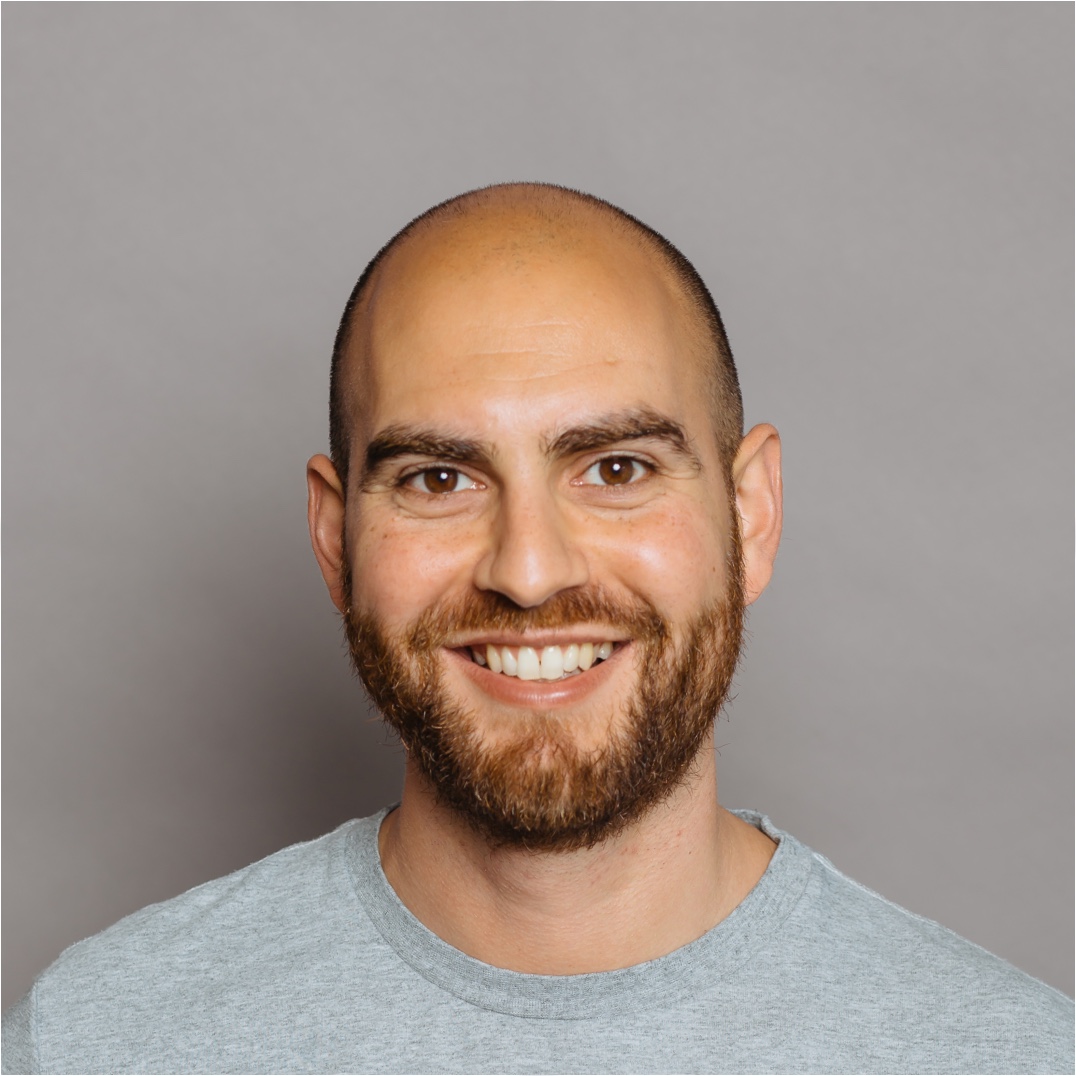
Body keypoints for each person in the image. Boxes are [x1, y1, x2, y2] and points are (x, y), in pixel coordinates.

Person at [2, 183, 1071, 1075]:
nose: (527, 571)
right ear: (335, 538)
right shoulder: (99, 1042)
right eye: (438, 478)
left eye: (616, 468)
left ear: (749, 514)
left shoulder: (1010, 1055)